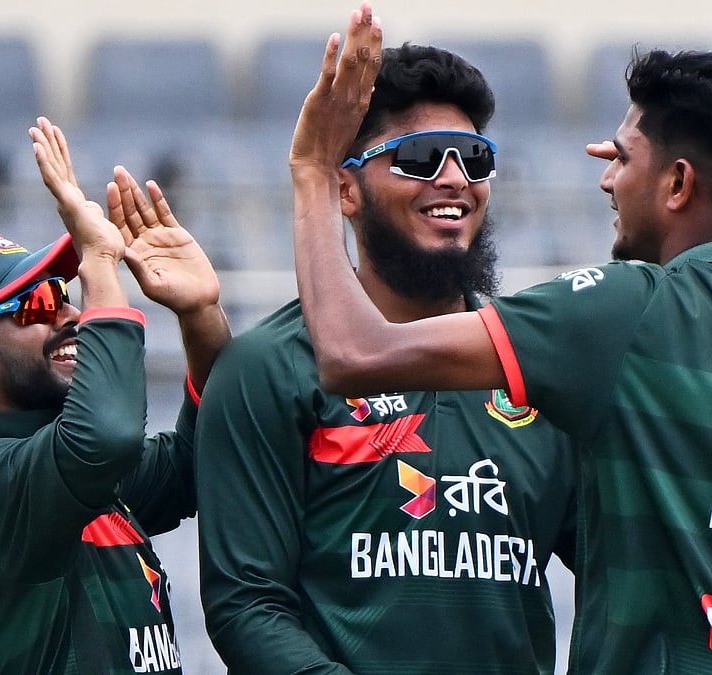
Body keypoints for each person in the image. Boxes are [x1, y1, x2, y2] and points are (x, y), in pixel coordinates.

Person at [288, 5, 712, 674]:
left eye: (623, 159)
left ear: (679, 183)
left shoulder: (629, 310)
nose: (606, 177)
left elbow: (350, 353)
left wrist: (314, 172)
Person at [194, 43, 579, 674]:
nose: (454, 178)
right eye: (421, 157)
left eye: (474, 159)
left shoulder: (536, 367)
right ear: (345, 189)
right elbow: (247, 604)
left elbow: (619, 567)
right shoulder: (267, 366)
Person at [0, 116, 230, 674]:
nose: (72, 313)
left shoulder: (68, 465)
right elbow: (106, 438)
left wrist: (198, 314)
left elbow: (205, 456)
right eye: (38, 303)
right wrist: (99, 264)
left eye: (65, 291)